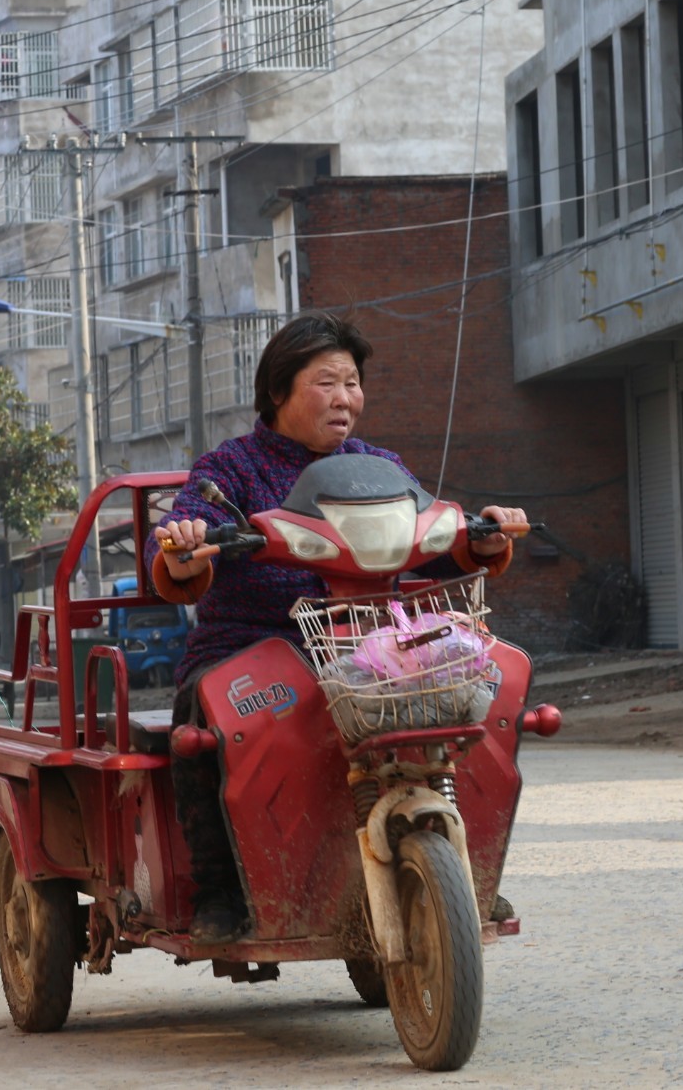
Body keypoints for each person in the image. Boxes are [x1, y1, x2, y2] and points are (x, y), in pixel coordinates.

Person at [148, 313, 527, 942]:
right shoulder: (229, 471)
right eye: (327, 382)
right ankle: (219, 889)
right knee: (205, 721)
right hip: (254, 643)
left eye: (352, 382)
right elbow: (174, 553)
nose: (345, 398)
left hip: (368, 644)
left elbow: (432, 539)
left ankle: (464, 874)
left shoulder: (378, 466)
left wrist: (484, 536)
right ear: (278, 391)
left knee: (481, 696)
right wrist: (182, 545)